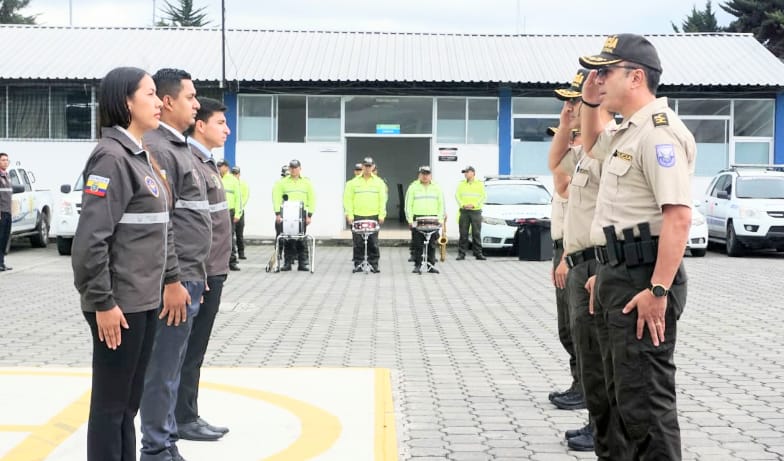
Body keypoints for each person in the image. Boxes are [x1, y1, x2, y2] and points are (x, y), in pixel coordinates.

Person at [580, 33, 696, 460]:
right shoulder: (627, 131)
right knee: (615, 400)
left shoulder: (658, 133)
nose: (598, 79)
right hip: (618, 274)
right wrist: (589, 102)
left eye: (605, 72)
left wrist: (659, 289)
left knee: (644, 406)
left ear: (635, 77)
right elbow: (591, 145)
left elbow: (678, 217)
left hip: (644, 279)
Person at [71, 66, 171, 461]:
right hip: (118, 304)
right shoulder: (112, 158)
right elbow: (90, 240)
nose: (159, 102)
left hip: (142, 299)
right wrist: (103, 302)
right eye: (149, 94)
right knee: (111, 407)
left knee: (128, 406)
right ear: (126, 102)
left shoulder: (139, 156)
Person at [139, 67, 211, 461]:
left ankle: (165, 441)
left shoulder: (178, 147)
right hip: (175, 280)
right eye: (190, 97)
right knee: (162, 369)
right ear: (168, 102)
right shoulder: (160, 149)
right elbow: (163, 224)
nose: (196, 104)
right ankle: (156, 448)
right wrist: (174, 279)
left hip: (190, 275)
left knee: (173, 365)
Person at [176, 97, 232, 444]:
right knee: (186, 350)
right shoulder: (191, 163)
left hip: (211, 271)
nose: (227, 130)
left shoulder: (207, 162)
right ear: (200, 125)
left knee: (194, 350)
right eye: (220, 123)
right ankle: (182, 418)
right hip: (202, 273)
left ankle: (187, 413)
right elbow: (188, 226)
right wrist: (199, 271)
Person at [547, 70, 587, 416]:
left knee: (579, 327)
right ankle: (580, 383)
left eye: (575, 101)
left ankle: (586, 389)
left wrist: (566, 257)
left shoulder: (590, 158)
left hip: (577, 252)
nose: (570, 108)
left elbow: (569, 198)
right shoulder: (575, 159)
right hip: (564, 248)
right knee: (567, 327)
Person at [344, 156, 387, 273]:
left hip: (373, 215)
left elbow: (382, 199)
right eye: (365, 166)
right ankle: (358, 264)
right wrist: (349, 214)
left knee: (373, 242)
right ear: (362, 166)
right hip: (357, 215)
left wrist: (382, 214)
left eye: (369, 166)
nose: (367, 168)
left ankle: (374, 264)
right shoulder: (352, 183)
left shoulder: (379, 182)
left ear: (373, 167)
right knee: (358, 242)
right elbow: (348, 200)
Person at [271, 159, 316, 271]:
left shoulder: (306, 182)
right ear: (289, 169)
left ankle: (302, 263)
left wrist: (310, 215)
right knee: (288, 239)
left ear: (300, 169)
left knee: (301, 238)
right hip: (287, 214)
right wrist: (277, 213)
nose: (294, 170)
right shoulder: (282, 183)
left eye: (296, 168)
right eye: (292, 168)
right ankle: (287, 263)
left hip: (301, 214)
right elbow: (276, 198)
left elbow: (312, 198)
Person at [405, 165, 445, 274]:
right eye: (423, 174)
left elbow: (441, 204)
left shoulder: (437, 187)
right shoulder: (413, 187)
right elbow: (408, 205)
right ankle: (417, 265)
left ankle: (430, 266)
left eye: (427, 174)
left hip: (433, 219)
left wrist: (440, 219)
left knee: (432, 244)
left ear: (430, 175)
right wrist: (410, 220)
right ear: (419, 175)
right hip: (417, 218)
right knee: (417, 244)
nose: (425, 176)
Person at [454, 165, 486, 260]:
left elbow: (483, 196)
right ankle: (461, 254)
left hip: (475, 211)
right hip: (464, 211)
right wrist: (463, 205)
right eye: (465, 172)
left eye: (467, 172)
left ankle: (478, 253)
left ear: (473, 173)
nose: (465, 174)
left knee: (476, 233)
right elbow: (457, 195)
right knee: (463, 233)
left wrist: (474, 205)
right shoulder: (461, 184)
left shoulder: (479, 184)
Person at [218, 159, 241, 271]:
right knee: (217, 237)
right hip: (217, 212)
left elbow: (238, 198)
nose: (219, 168)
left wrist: (238, 213)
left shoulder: (233, 180)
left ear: (226, 167)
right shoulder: (215, 177)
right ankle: (219, 262)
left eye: (221, 166)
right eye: (218, 166)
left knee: (229, 237)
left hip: (229, 212)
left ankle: (232, 261)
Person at [232, 166, 250, 260]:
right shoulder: (230, 183)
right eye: (233, 173)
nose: (235, 175)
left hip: (240, 211)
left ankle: (241, 252)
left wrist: (238, 206)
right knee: (230, 234)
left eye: (236, 173)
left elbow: (245, 197)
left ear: (239, 174)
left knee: (239, 234)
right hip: (231, 211)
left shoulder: (243, 184)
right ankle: (232, 254)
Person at [0, 152, 14, 271]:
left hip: (8, 212)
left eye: (7, 160)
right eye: (3, 160)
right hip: (1, 213)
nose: (5, 162)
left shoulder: (7, 176)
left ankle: (2, 262)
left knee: (5, 238)